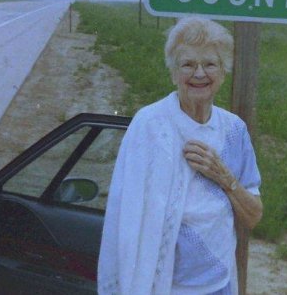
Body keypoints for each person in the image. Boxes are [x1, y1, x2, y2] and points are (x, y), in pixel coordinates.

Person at [98, 16, 263, 295]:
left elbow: (254, 215)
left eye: (210, 64)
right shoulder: (150, 125)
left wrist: (224, 176)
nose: (199, 74)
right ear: (174, 73)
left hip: (219, 285)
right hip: (163, 287)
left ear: (223, 72)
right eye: (188, 64)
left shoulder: (234, 131)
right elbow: (125, 214)